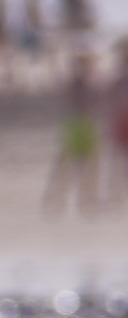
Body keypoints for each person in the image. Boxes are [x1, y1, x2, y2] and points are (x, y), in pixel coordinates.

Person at [43, 55, 100, 216]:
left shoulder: (88, 83)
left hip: (85, 125)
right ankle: (56, 199)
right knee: (67, 164)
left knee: (89, 165)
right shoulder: (74, 84)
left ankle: (87, 200)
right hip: (75, 125)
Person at [107, 45, 128, 204]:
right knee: (117, 157)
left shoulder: (119, 77)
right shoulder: (119, 77)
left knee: (118, 158)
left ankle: (117, 194)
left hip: (120, 117)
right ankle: (115, 194)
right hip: (121, 118)